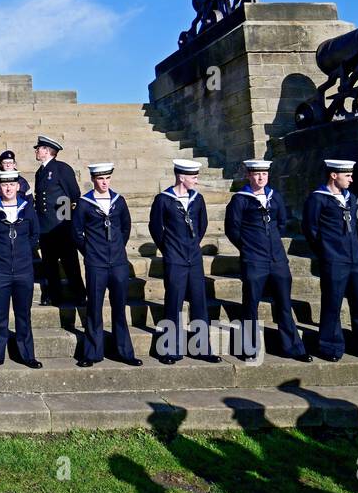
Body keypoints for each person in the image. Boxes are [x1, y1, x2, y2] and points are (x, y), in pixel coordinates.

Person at [302, 159, 358, 363]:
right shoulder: (318, 199)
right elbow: (310, 229)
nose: (351, 179)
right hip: (334, 260)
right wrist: (326, 252)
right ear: (334, 175)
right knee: (332, 304)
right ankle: (329, 346)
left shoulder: (351, 198)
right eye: (347, 176)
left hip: (355, 261)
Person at [224, 159, 313, 363]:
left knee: (284, 304)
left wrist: (272, 244)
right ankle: (247, 348)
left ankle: (292, 347)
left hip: (277, 260)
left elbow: (281, 223)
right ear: (248, 175)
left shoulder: (275, 197)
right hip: (254, 260)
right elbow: (232, 230)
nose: (261, 177)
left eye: (264, 174)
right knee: (250, 304)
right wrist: (248, 248)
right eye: (256, 174)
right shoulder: (240, 200)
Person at [148, 159, 220, 364]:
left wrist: (192, 245)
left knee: (199, 303)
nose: (196, 181)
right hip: (175, 259)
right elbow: (155, 228)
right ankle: (169, 349)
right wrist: (169, 249)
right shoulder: (163, 199)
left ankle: (201, 348)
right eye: (194, 177)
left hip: (194, 258)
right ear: (181, 177)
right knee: (174, 303)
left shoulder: (198, 199)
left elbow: (202, 224)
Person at [73, 163, 140, 367]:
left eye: (107, 178)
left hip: (118, 263)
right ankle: (92, 353)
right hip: (96, 264)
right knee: (94, 307)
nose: (104, 182)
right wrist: (91, 251)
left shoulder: (119, 201)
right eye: (100, 179)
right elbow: (76, 233)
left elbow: (125, 227)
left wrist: (118, 248)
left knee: (119, 307)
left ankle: (124, 352)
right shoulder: (84, 203)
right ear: (93, 179)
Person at [0, 169, 42, 369]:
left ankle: (27, 355)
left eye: (12, 184)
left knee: (24, 314)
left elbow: (34, 235)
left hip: (23, 270)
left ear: (18, 187)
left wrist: (22, 252)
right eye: (4, 185)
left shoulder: (27, 208)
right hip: (0, 270)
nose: (8, 188)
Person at [33, 135, 84, 305]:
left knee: (70, 263)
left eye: (38, 148)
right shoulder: (40, 171)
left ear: (47, 151)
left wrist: (65, 220)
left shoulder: (62, 168)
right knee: (49, 264)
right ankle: (54, 295)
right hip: (45, 227)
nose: (36, 150)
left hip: (61, 226)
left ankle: (79, 294)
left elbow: (73, 196)